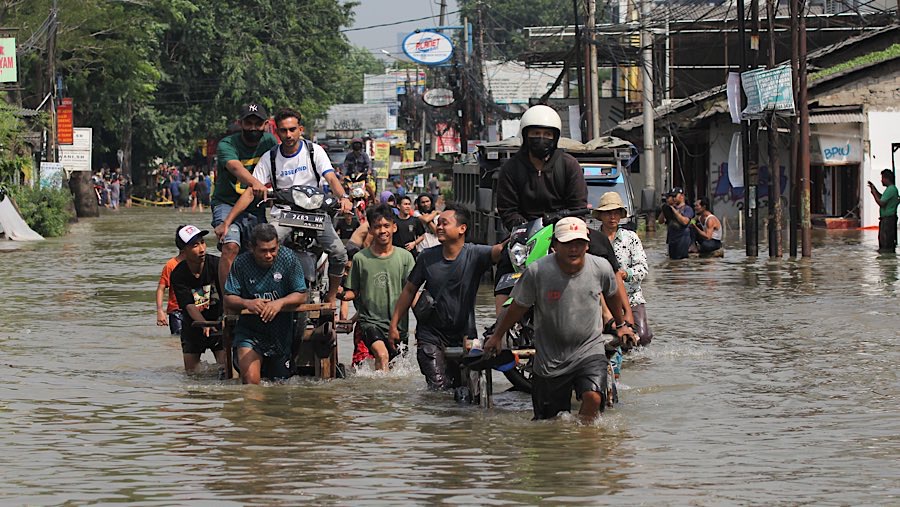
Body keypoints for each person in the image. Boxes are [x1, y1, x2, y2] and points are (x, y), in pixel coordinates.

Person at [484, 217, 636, 421]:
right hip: (550, 359)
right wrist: (497, 336)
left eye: (579, 243)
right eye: (567, 243)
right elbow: (517, 307)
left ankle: (586, 438)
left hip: (589, 350)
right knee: (550, 423)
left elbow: (612, 293)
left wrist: (622, 324)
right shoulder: (538, 272)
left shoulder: (601, 268)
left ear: (587, 245)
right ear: (555, 245)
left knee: (593, 397)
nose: (574, 249)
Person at [219, 108, 351, 302]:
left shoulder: (314, 151)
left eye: (292, 129)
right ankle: (258, 291)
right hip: (285, 215)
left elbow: (330, 178)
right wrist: (227, 222)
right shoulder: (270, 157)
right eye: (283, 130)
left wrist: (344, 197)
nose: (288, 135)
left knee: (339, 253)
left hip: (315, 213)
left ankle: (331, 297)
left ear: (300, 129)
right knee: (262, 248)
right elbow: (251, 191)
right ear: (277, 132)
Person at [389, 205, 505, 390]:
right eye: (438, 223)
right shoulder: (426, 257)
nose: (439, 227)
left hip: (464, 333)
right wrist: (394, 325)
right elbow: (409, 290)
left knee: (465, 390)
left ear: (462, 228)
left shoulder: (475, 254)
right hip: (430, 334)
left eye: (445, 223)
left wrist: (519, 236)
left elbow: (500, 251)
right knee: (439, 388)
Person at [493, 105, 587, 312]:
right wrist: (523, 228)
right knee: (505, 265)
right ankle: (500, 323)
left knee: (601, 252)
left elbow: (578, 205)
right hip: (524, 234)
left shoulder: (569, 165)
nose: (541, 139)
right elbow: (507, 209)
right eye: (536, 134)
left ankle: (612, 318)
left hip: (564, 231)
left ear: (555, 138)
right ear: (526, 135)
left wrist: (561, 225)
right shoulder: (511, 168)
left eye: (547, 135)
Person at [224, 224, 308, 384]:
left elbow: (301, 294)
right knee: (251, 382)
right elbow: (229, 297)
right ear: (252, 248)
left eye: (273, 250)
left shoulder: (288, 258)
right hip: (250, 332)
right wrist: (247, 303)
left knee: (280, 387)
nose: (269, 255)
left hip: (281, 334)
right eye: (263, 251)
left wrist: (280, 303)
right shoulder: (241, 263)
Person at [211, 103, 278, 292]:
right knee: (231, 245)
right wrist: (256, 184)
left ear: (266, 124)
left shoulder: (270, 142)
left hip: (255, 206)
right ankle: (227, 298)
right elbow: (235, 167)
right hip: (227, 204)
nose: (253, 128)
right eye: (248, 123)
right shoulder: (227, 144)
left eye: (258, 124)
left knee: (263, 249)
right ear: (240, 123)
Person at [342, 204, 416, 371]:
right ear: (370, 230)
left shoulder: (406, 258)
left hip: (399, 327)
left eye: (386, 226)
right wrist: (338, 294)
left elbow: (412, 293)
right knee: (382, 356)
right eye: (377, 227)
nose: (382, 231)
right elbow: (353, 292)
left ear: (394, 227)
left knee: (398, 370)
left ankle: (382, 388)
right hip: (370, 323)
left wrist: (423, 324)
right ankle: (380, 388)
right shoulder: (360, 259)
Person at [594, 192, 653, 346]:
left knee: (642, 336)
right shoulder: (594, 240)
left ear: (621, 215)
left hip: (632, 297)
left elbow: (643, 268)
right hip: (602, 299)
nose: (612, 217)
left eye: (616, 213)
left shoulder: (631, 238)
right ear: (600, 216)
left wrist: (626, 274)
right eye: (608, 213)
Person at [169, 225, 228, 375]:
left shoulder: (217, 265)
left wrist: (225, 318)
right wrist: (203, 324)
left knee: (227, 370)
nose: (201, 249)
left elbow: (227, 294)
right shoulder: (178, 274)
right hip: (193, 326)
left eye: (202, 242)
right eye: (195, 245)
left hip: (218, 323)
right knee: (192, 374)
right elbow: (188, 305)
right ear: (183, 250)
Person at [156, 232, 187, 337]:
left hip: (197, 311)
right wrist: (160, 311)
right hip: (177, 312)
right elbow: (161, 289)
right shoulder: (171, 265)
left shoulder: (200, 263)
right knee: (177, 340)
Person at [657, 187, 694, 260]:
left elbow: (685, 222)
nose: (673, 198)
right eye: (671, 196)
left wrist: (673, 209)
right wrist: (665, 209)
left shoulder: (687, 209)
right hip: (672, 239)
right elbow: (660, 221)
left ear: (682, 196)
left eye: (674, 196)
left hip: (682, 239)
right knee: (672, 260)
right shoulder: (669, 208)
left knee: (681, 260)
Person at [868, 169, 899, 252]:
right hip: (887, 220)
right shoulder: (891, 189)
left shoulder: (891, 189)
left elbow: (881, 203)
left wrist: (874, 193)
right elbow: (882, 198)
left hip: (888, 220)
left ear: (886, 179)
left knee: (885, 243)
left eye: (882, 178)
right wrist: (874, 190)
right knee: (884, 242)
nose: (881, 180)